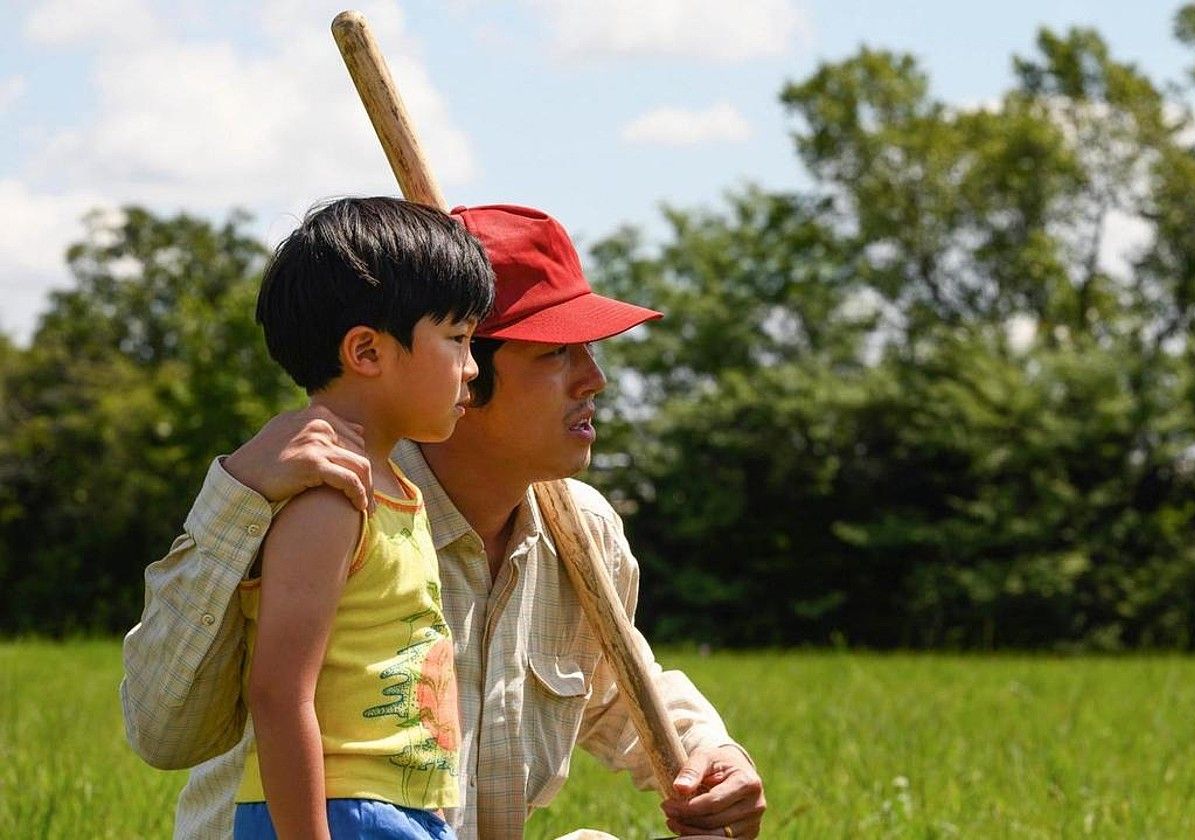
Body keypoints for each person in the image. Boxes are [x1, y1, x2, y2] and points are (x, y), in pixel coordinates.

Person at [121, 203, 767, 839]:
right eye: (557, 353)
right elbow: (162, 728)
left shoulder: (585, 535)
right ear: (469, 367)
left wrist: (713, 754)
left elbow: (621, 687)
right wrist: (236, 495)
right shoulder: (327, 495)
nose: (594, 379)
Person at [230, 196, 494, 839]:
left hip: (392, 813)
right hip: (340, 812)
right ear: (367, 352)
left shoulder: (396, 489)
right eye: (458, 339)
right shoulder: (328, 501)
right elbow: (277, 692)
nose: (473, 367)